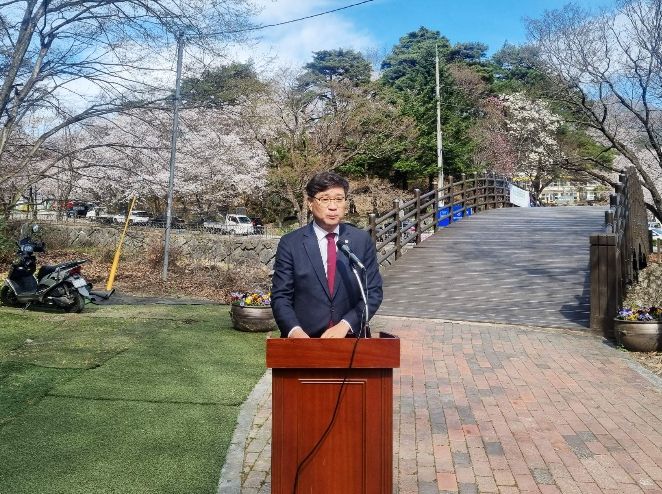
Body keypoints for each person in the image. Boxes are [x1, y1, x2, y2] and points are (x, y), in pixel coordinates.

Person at [271, 172, 383, 338]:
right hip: (304, 340)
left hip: (351, 340)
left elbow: (372, 293)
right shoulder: (291, 243)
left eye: (339, 199)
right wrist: (294, 331)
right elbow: (281, 296)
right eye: (325, 199)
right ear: (310, 203)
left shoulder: (361, 240)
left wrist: (346, 324)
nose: (333, 206)